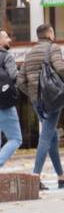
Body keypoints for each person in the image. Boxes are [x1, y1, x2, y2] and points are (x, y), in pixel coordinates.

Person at [17, 24, 64, 191]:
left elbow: (20, 81)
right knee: (47, 135)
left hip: (37, 101)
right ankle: (35, 177)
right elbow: (60, 68)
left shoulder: (30, 53)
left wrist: (33, 94)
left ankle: (61, 177)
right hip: (52, 98)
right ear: (49, 34)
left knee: (52, 135)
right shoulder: (53, 47)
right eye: (53, 32)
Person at [0, 30, 21, 168]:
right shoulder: (6, 56)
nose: (9, 39)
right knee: (15, 138)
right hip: (5, 104)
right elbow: (14, 76)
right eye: (6, 37)